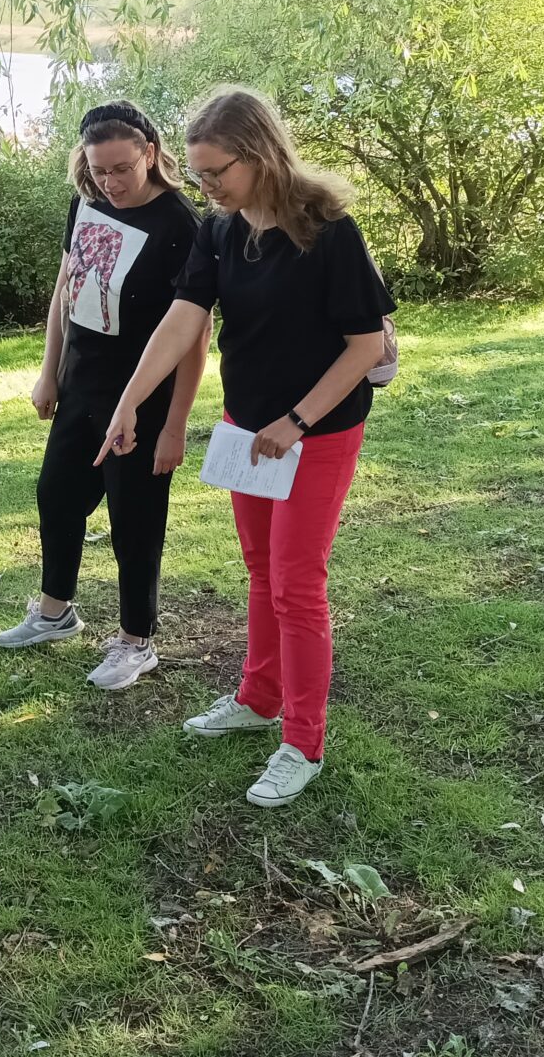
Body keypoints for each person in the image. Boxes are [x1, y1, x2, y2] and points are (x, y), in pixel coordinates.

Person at [97, 88, 395, 808]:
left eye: (214, 172)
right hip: (246, 426)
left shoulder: (329, 231)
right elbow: (183, 317)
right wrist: (131, 399)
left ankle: (303, 741)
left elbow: (365, 346)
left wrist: (296, 420)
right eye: (198, 175)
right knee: (261, 568)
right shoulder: (220, 230)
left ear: (258, 155)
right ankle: (258, 698)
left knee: (297, 584)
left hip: (315, 432)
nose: (205, 187)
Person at [0, 101, 207, 691]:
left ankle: (137, 641)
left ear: (149, 153)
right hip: (81, 385)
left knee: (133, 519)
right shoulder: (87, 202)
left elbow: (194, 334)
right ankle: (55, 611)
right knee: (56, 497)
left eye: (121, 168)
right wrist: (49, 372)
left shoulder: (180, 226)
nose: (109, 182)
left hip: (142, 400)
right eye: (97, 170)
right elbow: (67, 290)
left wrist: (173, 427)